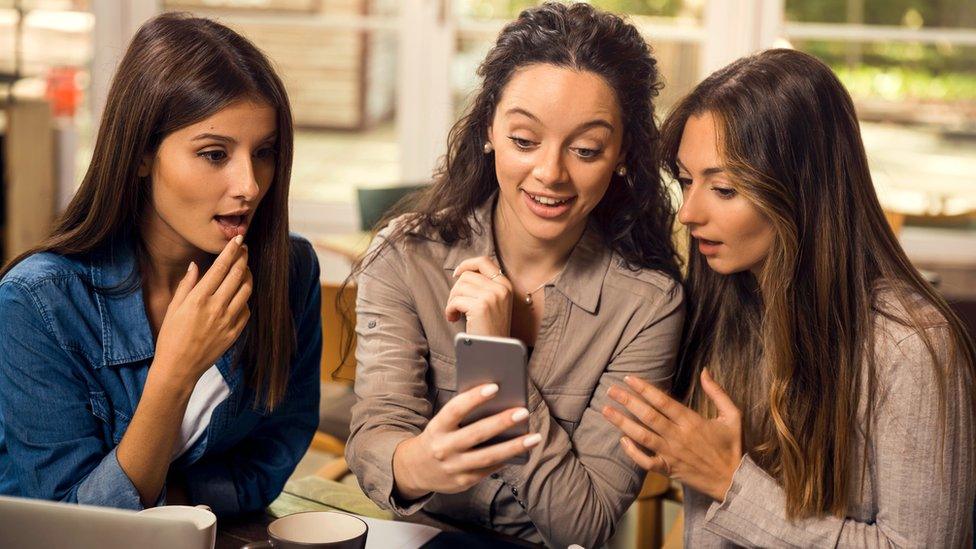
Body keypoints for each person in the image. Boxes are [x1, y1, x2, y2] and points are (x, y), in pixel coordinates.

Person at [602, 48, 976, 547]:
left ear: (802, 190)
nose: (688, 213)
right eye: (688, 182)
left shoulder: (911, 348)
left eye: (725, 188)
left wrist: (728, 483)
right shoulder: (721, 312)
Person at [344, 3, 684, 547]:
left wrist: (501, 362)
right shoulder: (408, 256)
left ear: (622, 155)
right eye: (525, 141)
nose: (550, 172)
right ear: (489, 130)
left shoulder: (647, 304)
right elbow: (375, 443)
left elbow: (586, 524)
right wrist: (417, 464)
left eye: (586, 149)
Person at [0, 13, 322, 516]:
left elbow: (274, 453)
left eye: (265, 152)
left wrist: (173, 502)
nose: (251, 185)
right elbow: (66, 524)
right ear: (141, 153)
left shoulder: (289, 269)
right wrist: (174, 373)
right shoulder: (36, 304)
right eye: (215, 154)